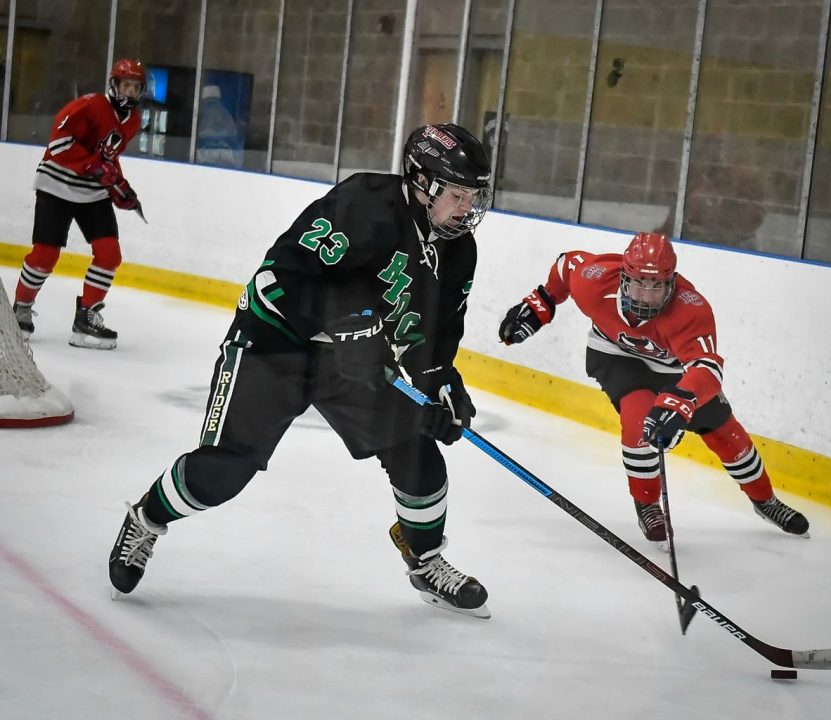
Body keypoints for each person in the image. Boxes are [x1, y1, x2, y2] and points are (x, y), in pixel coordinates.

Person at [108, 123, 494, 617]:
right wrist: (347, 324)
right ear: (422, 182)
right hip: (276, 341)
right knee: (225, 470)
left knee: (416, 450)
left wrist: (440, 383)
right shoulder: (366, 202)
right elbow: (281, 276)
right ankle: (145, 519)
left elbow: (437, 332)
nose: (467, 208)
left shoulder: (460, 250)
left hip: (352, 364)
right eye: (457, 194)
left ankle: (425, 562)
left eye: (473, 196)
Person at [498, 232, 809, 544]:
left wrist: (681, 402)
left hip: (672, 369)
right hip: (614, 355)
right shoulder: (595, 281)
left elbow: (708, 369)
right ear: (623, 277)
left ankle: (764, 499)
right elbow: (567, 265)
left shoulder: (691, 309)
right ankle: (647, 504)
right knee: (637, 417)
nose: (646, 296)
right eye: (639, 284)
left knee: (723, 430)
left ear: (671, 283)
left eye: (657, 286)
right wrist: (540, 304)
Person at [13, 58, 146, 350]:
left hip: (92, 192)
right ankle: (20, 308)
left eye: (136, 87)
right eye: (126, 85)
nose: (131, 92)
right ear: (114, 85)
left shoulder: (133, 121)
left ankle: (86, 317)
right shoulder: (90, 105)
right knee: (45, 255)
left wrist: (119, 186)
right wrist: (91, 165)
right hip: (57, 184)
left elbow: (108, 157)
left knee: (109, 254)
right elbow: (58, 144)